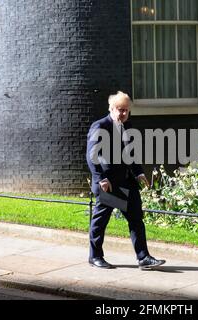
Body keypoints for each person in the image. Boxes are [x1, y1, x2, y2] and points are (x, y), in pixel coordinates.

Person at [86, 91, 166, 270]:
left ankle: (143, 257)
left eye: (126, 110)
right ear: (111, 109)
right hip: (108, 184)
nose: (123, 114)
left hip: (127, 182)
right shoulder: (100, 126)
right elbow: (92, 156)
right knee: (100, 221)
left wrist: (138, 173)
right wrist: (101, 179)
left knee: (137, 219)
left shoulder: (127, 126)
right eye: (120, 110)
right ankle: (95, 256)